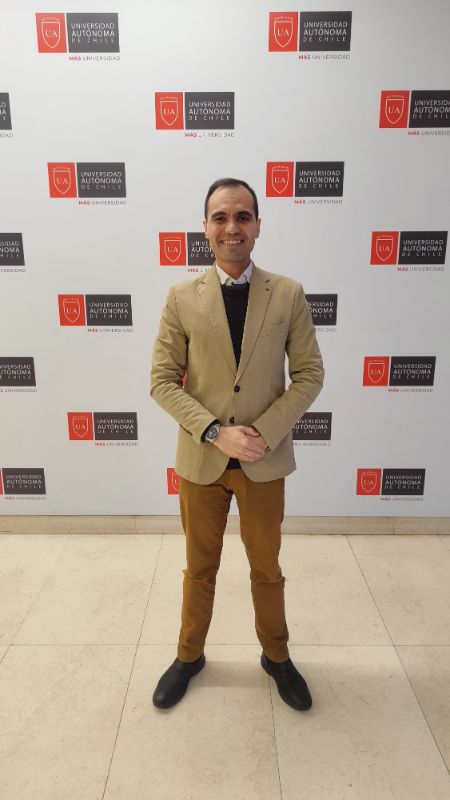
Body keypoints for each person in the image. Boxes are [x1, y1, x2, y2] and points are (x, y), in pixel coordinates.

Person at [150, 177, 324, 710]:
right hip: (201, 461)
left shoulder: (288, 293)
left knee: (266, 568)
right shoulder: (181, 297)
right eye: (221, 217)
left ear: (258, 226)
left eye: (243, 216)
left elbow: (310, 375)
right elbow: (161, 381)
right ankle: (188, 656)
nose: (232, 227)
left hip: (262, 462)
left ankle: (276, 656)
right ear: (205, 227)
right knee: (199, 568)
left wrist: (262, 433)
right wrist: (213, 431)